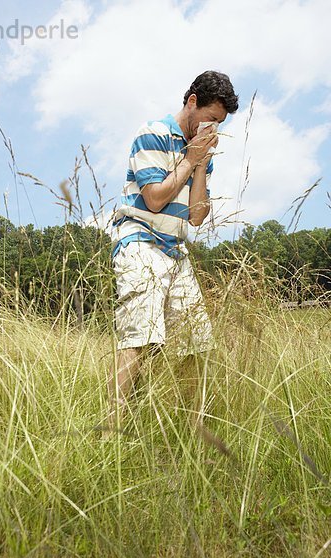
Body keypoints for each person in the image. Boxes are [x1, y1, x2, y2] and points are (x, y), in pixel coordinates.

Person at [103, 70, 239, 438]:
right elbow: (155, 198)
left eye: (220, 123)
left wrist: (199, 164)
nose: (213, 127)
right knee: (141, 336)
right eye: (210, 118)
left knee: (197, 343)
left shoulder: (200, 150)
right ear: (192, 102)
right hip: (140, 240)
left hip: (176, 250)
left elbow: (196, 217)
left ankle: (194, 431)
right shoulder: (152, 132)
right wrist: (188, 159)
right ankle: (111, 431)